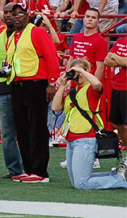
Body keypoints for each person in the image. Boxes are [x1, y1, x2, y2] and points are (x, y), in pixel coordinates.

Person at [52, 59, 127, 189]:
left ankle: (121, 181)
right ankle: (117, 174)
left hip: (85, 139)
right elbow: (56, 107)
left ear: (87, 71)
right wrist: (63, 85)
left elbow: (98, 84)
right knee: (76, 181)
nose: (78, 75)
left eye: (80, 72)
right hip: (71, 139)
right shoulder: (73, 92)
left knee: (82, 184)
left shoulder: (91, 89)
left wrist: (81, 71)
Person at [8, 3, 60, 183]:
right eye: (13, 14)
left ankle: (40, 171)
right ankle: (29, 168)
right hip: (18, 84)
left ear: (27, 15)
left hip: (36, 84)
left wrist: (51, 83)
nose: (15, 16)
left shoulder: (37, 32)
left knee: (36, 127)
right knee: (22, 128)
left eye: (19, 13)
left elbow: (51, 56)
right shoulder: (12, 36)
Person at [0, 2, 23, 179]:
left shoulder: (27, 34)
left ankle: (31, 166)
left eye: (13, 12)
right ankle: (14, 168)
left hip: (26, 87)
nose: (9, 15)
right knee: (7, 132)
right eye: (6, 12)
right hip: (5, 88)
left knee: (26, 129)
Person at [104, 37, 127, 157]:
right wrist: (122, 60)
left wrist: (116, 57)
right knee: (117, 124)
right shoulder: (120, 41)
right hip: (116, 87)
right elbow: (107, 61)